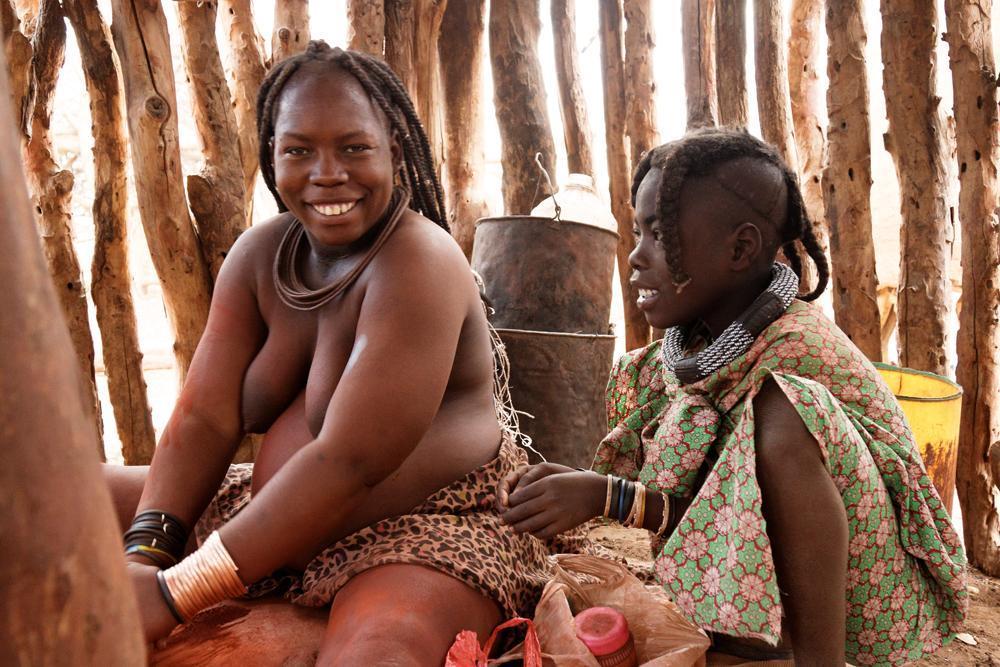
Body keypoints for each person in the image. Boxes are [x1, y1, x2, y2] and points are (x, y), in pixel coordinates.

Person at [106, 42, 560, 664]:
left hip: (426, 530)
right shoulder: (260, 258)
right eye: (298, 150)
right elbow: (204, 419)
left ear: (394, 153)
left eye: (354, 148)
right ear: (272, 155)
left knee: (378, 651)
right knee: (40, 497)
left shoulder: (417, 265)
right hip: (269, 512)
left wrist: (174, 593)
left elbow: (348, 461)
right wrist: (146, 557)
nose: (327, 173)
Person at [497, 128, 967, 666]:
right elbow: (709, 502)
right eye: (638, 232)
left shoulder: (793, 354)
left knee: (785, 413)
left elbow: (737, 498)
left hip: (879, 593)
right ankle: (762, 650)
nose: (635, 256)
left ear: (740, 248)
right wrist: (597, 491)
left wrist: (606, 495)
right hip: (792, 597)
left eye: (659, 234)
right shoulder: (699, 341)